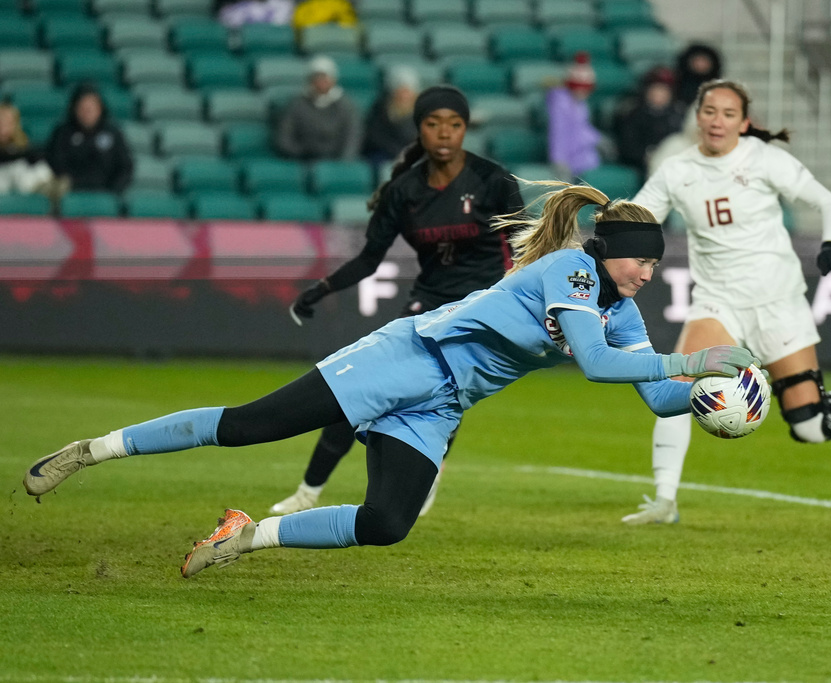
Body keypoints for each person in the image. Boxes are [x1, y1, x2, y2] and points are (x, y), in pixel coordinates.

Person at [23, 182, 759, 579]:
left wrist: (711, 397)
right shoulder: (570, 267)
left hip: (442, 402)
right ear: (615, 252)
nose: (651, 273)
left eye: (656, 265)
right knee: (250, 424)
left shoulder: (621, 309)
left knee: (386, 524)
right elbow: (599, 366)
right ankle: (95, 449)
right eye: (645, 261)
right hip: (406, 357)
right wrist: (695, 360)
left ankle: (246, 536)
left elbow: (656, 391)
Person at [621, 79, 831, 525]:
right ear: (698, 115)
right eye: (710, 111)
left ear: (743, 123)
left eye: (728, 114)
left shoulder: (765, 159)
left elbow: (829, 201)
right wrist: (606, 237)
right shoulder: (676, 169)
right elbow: (638, 218)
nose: (717, 121)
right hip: (717, 301)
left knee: (811, 427)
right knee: (677, 387)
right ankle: (665, 500)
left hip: (777, 300)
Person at [275, 85, 523, 516]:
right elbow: (371, 257)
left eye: (455, 124)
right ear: (418, 129)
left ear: (465, 129)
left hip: (484, 310)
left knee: (445, 393)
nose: (444, 133)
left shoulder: (493, 181)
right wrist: (322, 289)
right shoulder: (403, 191)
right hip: (428, 306)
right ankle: (308, 490)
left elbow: (526, 243)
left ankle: (427, 470)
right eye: (433, 123)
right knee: (356, 385)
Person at [45, 83, 133, 194]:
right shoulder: (62, 133)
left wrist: (113, 191)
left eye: (91, 108)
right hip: (71, 193)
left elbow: (125, 167)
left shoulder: (113, 133)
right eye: (83, 108)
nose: (87, 112)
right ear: (74, 109)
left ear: (100, 109)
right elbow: (55, 163)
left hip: (106, 195)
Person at [275, 55, 363, 161]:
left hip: (336, 161)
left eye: (325, 77)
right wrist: (301, 154)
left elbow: (352, 137)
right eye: (317, 77)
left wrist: (343, 162)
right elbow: (284, 137)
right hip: (303, 160)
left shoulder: (346, 106)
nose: (321, 82)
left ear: (333, 80)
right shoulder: (296, 105)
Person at [615, 66, 686, 177]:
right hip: (642, 164)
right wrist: (646, 155)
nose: (659, 94)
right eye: (655, 89)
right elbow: (627, 147)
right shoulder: (633, 114)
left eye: (664, 90)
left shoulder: (678, 115)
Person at [546, 51, 603, 179]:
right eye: (579, 87)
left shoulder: (581, 104)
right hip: (568, 160)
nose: (583, 92)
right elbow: (557, 132)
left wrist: (598, 139)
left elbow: (582, 127)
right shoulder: (560, 104)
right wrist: (558, 160)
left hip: (583, 157)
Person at [0, 103, 65, 200]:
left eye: (8, 123)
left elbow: (29, 155)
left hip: (18, 183)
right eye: (1, 123)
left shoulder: (19, 143)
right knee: (18, 168)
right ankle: (42, 188)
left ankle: (50, 186)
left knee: (38, 165)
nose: (4, 127)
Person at [361, 65, 420, 171]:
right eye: (401, 90)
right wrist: (396, 152)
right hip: (384, 155)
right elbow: (375, 136)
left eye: (407, 91)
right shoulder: (380, 108)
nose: (404, 95)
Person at [673, 43, 723, 109]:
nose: (700, 64)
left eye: (704, 60)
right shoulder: (676, 86)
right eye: (697, 60)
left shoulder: (719, 88)